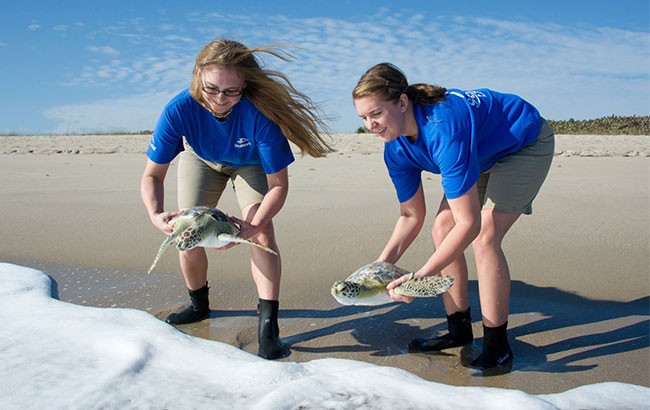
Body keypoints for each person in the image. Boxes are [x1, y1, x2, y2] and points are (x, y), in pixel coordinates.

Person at [352, 63, 554, 369]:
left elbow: (469, 223)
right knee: (442, 230)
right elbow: (410, 216)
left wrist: (421, 276)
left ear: (403, 102)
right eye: (364, 118)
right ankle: (458, 330)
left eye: (376, 114)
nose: (370, 125)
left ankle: (497, 345)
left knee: (485, 235)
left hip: (522, 142)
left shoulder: (442, 127)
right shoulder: (394, 149)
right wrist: (381, 267)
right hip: (479, 152)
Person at [140, 39, 333, 360]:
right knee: (187, 234)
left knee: (263, 231)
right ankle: (198, 305)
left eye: (232, 91)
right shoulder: (178, 108)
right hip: (200, 159)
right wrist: (154, 214)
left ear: (245, 84)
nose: (220, 99)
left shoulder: (259, 113)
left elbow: (278, 186)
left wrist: (252, 226)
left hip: (250, 163)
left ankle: (268, 327)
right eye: (212, 88)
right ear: (197, 74)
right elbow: (151, 176)